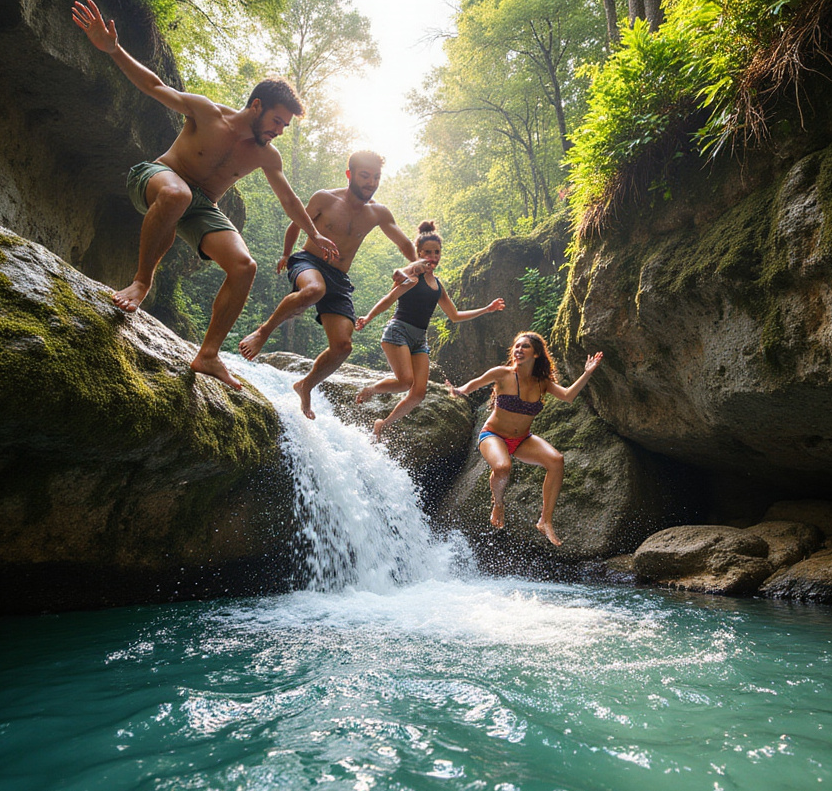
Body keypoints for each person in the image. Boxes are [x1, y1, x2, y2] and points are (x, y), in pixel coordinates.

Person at [72, 0, 338, 391]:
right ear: (257, 105)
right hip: (158, 178)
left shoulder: (267, 154)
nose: (279, 130)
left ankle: (208, 355)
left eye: (285, 126)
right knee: (177, 194)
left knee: (245, 267)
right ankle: (142, 282)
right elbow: (154, 85)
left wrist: (312, 234)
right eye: (278, 121)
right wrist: (113, 49)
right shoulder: (207, 113)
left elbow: (288, 199)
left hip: (201, 206)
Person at [238, 151, 425, 419]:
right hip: (308, 262)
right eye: (364, 176)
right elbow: (296, 224)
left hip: (339, 279)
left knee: (343, 347)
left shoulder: (378, 213)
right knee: (314, 290)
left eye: (376, 177)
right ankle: (262, 332)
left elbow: (405, 244)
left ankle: (305, 385)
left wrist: (420, 265)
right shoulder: (325, 198)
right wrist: (285, 254)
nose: (371, 182)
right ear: (350, 174)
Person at [447, 333, 603, 546]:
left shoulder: (543, 383)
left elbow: (568, 396)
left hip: (522, 439)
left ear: (536, 353)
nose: (519, 349)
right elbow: (472, 385)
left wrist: (587, 373)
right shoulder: (502, 374)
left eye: (525, 346)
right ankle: (498, 503)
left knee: (556, 460)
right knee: (502, 467)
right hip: (493, 435)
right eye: (517, 346)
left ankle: (545, 521)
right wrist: (459, 390)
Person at [354, 220, 505, 440]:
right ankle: (370, 390)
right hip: (398, 332)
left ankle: (383, 425)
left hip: (419, 340)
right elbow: (389, 297)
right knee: (405, 381)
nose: (433, 257)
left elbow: (455, 316)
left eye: (436, 252)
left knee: (418, 394)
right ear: (418, 253)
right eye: (427, 253)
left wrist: (487, 309)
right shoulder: (412, 277)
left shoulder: (439, 286)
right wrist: (367, 318)